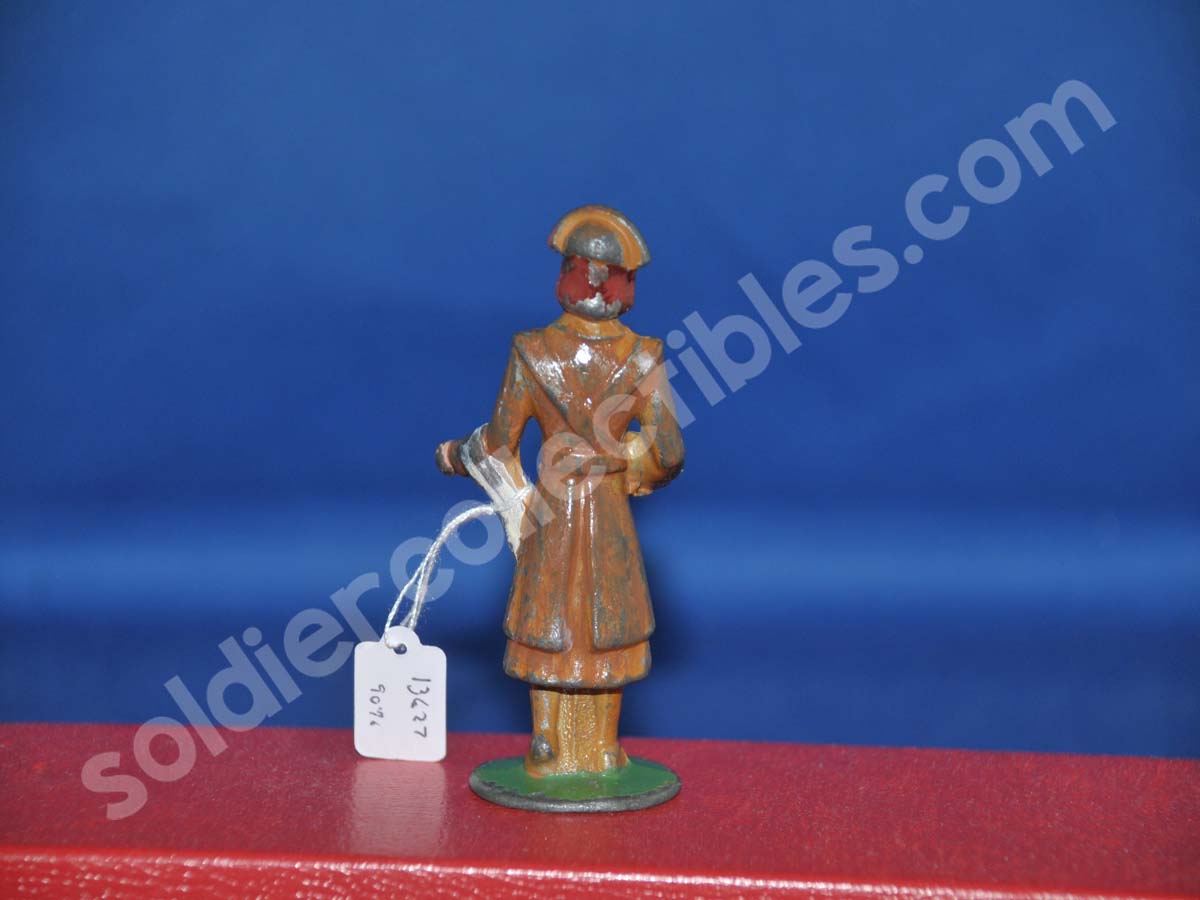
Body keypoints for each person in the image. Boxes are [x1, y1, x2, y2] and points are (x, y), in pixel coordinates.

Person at [436, 205, 685, 777]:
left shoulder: (530, 350)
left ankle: (545, 739)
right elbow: (669, 451)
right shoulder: (643, 356)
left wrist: (456, 455)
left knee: (545, 618)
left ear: (568, 278)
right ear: (624, 287)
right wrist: (627, 466)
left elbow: (498, 442)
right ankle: (603, 747)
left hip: (549, 510)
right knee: (608, 625)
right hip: (608, 511)